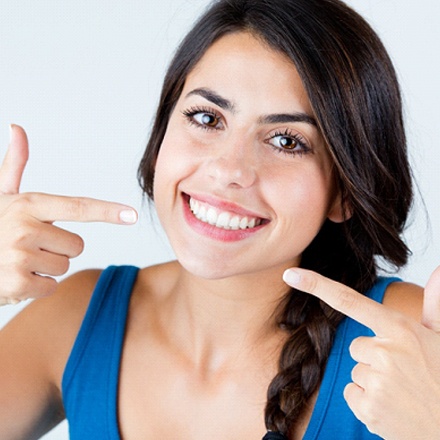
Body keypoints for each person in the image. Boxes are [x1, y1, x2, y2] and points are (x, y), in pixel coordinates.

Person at [0, 0, 439, 439]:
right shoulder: (76, 319)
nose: (230, 169)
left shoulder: (410, 340)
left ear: (345, 190)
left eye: (287, 141)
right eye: (207, 118)